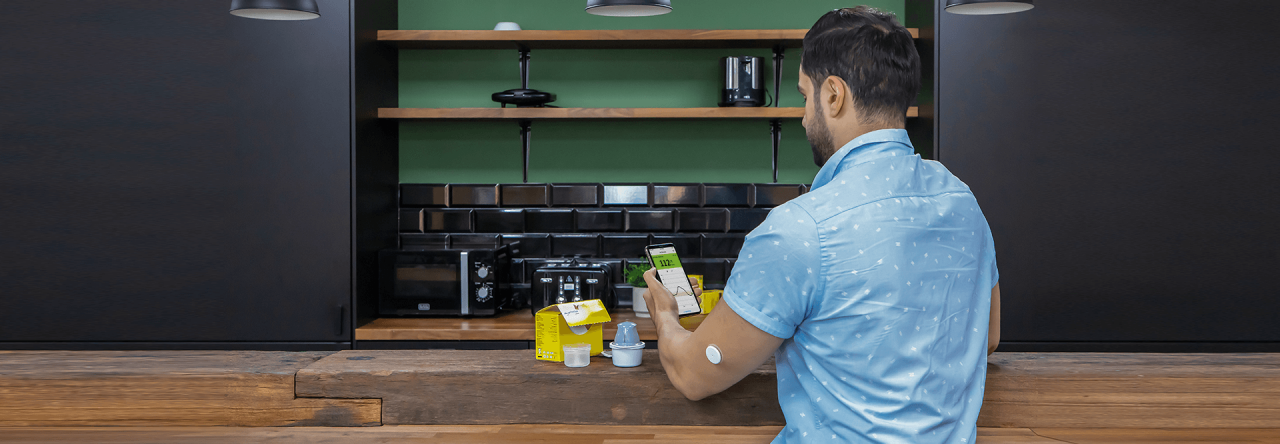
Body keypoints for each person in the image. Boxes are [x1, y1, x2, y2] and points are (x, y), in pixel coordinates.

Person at [640, 6, 1000, 443]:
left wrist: (666, 317)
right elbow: (987, 336)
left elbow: (694, 374)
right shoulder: (960, 200)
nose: (804, 115)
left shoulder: (800, 230)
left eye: (804, 96)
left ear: (833, 95)